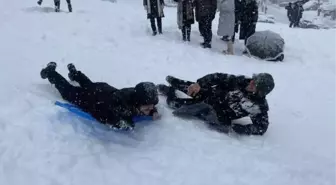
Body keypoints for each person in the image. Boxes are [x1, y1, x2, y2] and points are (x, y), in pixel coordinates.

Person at [40, 62, 160, 130]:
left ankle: (75, 73)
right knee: (68, 91)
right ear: (137, 103)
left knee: (89, 85)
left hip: (102, 88)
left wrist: (152, 111)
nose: (150, 110)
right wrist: (121, 122)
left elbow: (147, 103)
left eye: (151, 107)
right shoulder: (119, 106)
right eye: (147, 108)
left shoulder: (135, 94)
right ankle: (50, 72)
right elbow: (101, 114)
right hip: (93, 99)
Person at [157, 73, 275, 135]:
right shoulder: (241, 80)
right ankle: (175, 83)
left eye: (255, 84)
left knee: (177, 104)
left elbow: (261, 128)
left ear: (260, 92)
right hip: (210, 94)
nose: (251, 83)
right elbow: (217, 77)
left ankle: (169, 93)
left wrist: (237, 128)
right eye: (253, 80)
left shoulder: (258, 106)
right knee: (191, 87)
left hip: (214, 112)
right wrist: (199, 83)